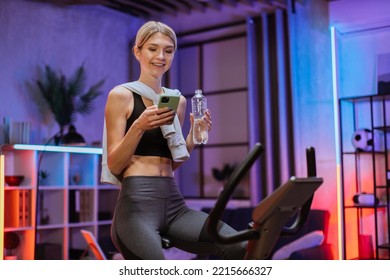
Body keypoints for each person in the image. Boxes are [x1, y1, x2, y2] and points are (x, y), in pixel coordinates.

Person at [101, 21, 246, 260]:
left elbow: (171, 163)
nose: (161, 56)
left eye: (168, 51)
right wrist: (138, 127)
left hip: (174, 202)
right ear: (137, 52)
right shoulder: (121, 96)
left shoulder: (176, 101)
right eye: (152, 49)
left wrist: (191, 138)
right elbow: (115, 165)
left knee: (237, 246)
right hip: (136, 207)